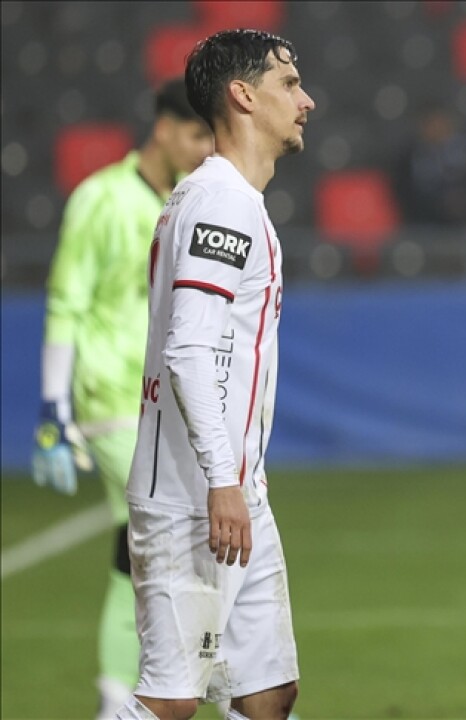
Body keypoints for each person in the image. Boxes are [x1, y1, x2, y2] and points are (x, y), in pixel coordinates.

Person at [114, 28, 315, 720]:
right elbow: (190, 350)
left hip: (230, 492)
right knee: (170, 700)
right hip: (194, 498)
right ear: (242, 95)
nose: (306, 101)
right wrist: (222, 480)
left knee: (268, 695)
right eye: (289, 84)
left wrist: (236, 484)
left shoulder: (220, 198)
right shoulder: (222, 203)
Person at [32, 77, 213, 717]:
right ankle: (235, 693)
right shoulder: (101, 199)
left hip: (163, 403)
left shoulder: (186, 202)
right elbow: (66, 301)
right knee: (189, 532)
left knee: (130, 548)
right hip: (112, 402)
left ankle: (117, 696)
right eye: (196, 134)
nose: (204, 148)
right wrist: (53, 412)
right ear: (163, 128)